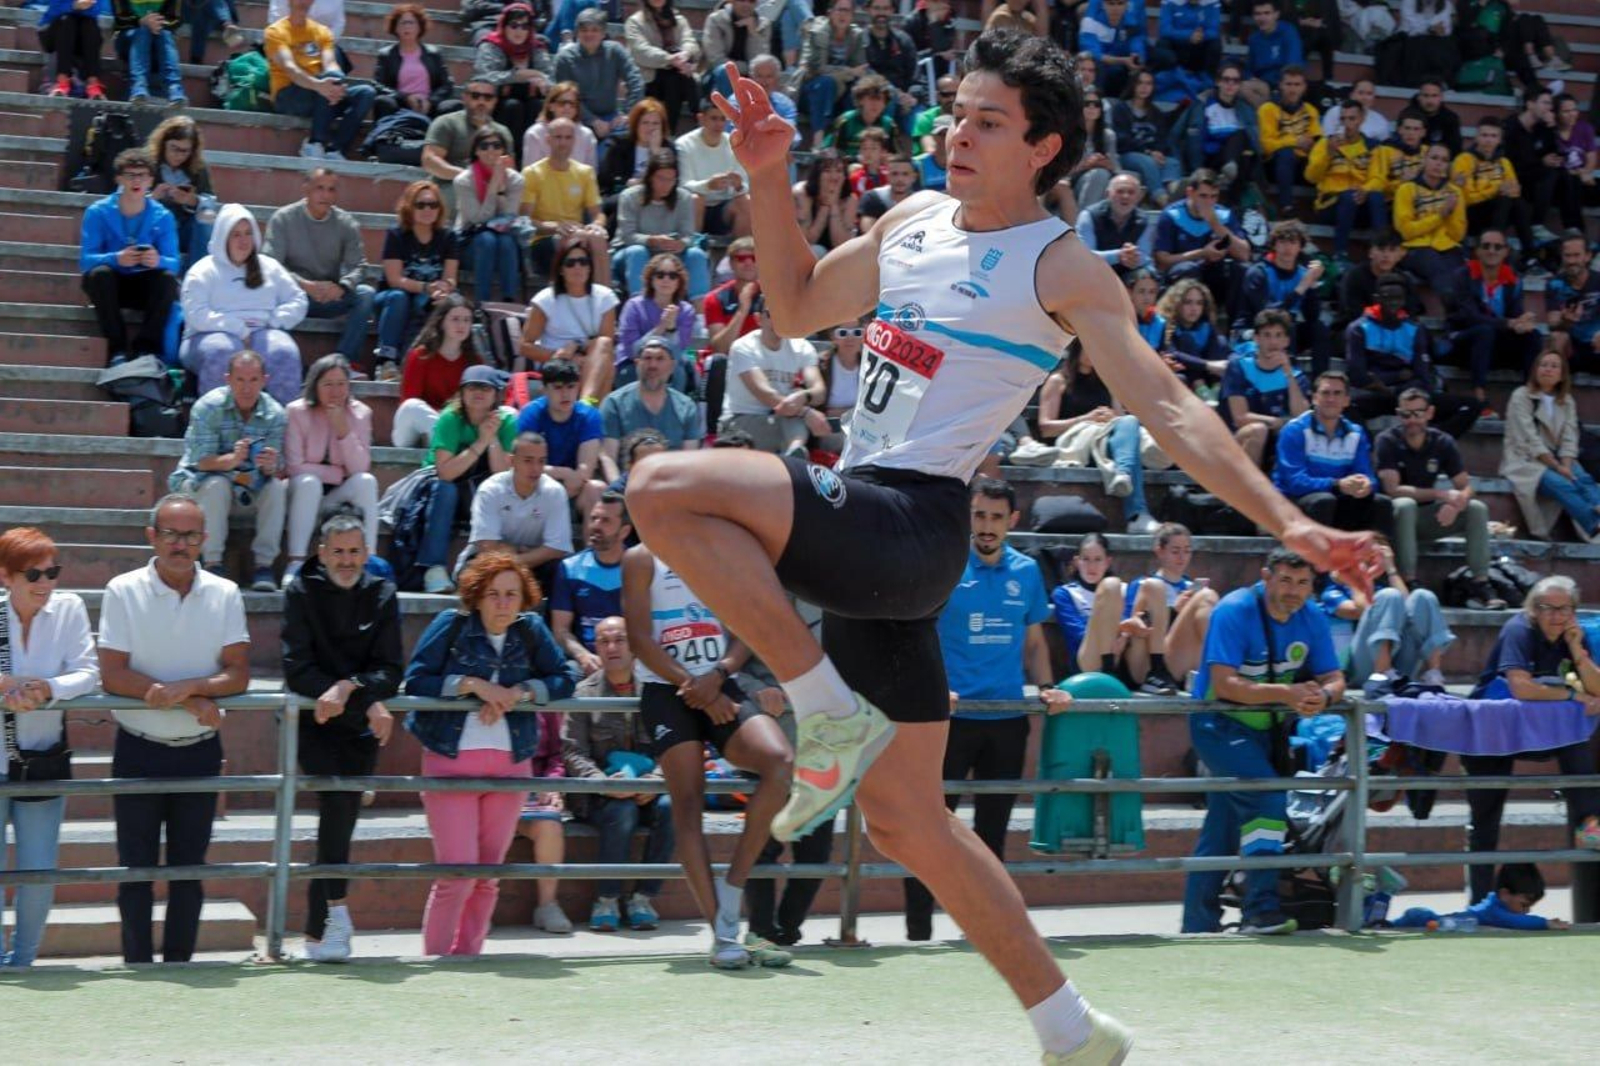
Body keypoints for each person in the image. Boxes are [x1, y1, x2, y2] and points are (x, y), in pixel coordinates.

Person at [631, 36, 1369, 1059]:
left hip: (910, 520)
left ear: (1044, 148)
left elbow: (1165, 402)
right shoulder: (912, 219)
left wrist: (1287, 520)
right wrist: (766, 178)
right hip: (865, 529)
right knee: (906, 821)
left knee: (662, 485)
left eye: (986, 122)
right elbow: (796, 306)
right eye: (956, 114)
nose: (956, 133)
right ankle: (1069, 1026)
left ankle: (819, 708)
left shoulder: (1059, 263)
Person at [903, 478, 1071, 940]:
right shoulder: (946, 564)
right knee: (930, 832)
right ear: (967, 517)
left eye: (997, 517)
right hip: (948, 720)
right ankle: (919, 931)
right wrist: (936, 689)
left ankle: (983, 932)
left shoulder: (1027, 572)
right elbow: (918, 634)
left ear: (1012, 521)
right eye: (979, 515)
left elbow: (1034, 642)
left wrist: (1046, 686)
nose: (987, 526)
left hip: (1007, 720)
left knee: (991, 835)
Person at [620, 541, 795, 970]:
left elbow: (743, 632)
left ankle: (731, 892)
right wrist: (692, 686)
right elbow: (640, 640)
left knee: (781, 763)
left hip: (719, 683)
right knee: (686, 804)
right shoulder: (641, 558)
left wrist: (715, 677)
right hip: (667, 690)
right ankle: (722, 934)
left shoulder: (720, 552)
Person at [98, 493, 250, 964]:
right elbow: (112, 673)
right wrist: (192, 698)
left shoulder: (225, 593)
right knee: (136, 870)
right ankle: (137, 967)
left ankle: (181, 966)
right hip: (138, 749)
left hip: (200, 750)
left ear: (204, 540)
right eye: (170, 534)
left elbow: (238, 673)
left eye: (189, 536)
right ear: (152, 536)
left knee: (189, 871)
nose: (180, 545)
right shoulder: (122, 589)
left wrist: (187, 689)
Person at [403, 552, 579, 957]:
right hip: (451, 758)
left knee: (488, 875)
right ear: (477, 596)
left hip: (510, 761)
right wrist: (473, 685)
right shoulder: (452, 624)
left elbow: (566, 676)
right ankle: (436, 959)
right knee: (458, 873)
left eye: (511, 595)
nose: (503, 604)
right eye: (494, 594)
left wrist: (522, 692)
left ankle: (469, 956)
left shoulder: (531, 630)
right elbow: (416, 679)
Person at [1181, 547, 1345, 935]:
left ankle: (1197, 925)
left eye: (1303, 582)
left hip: (1263, 730)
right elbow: (1224, 684)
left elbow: (1334, 678)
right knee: (1269, 797)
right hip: (1216, 726)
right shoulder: (1234, 610)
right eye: (1285, 580)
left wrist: (1322, 698)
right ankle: (1261, 911)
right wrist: (1287, 695)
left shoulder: (1312, 615)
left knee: (1221, 828)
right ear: (1266, 576)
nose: (1294, 590)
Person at [281, 512, 402, 962]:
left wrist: (351, 687)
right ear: (321, 552)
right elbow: (298, 669)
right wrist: (361, 694)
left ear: (366, 554)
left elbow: (391, 669)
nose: (347, 560)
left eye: (355, 551)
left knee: (342, 816)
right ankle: (335, 912)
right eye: (338, 552)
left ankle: (320, 932)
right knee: (336, 803)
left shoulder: (383, 593)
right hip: (314, 722)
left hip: (358, 722)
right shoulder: (300, 590)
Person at [1467, 576, 1600, 907]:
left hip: (1542, 731)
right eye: (1547, 608)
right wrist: (1571, 693)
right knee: (1486, 819)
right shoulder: (1518, 629)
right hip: (1493, 730)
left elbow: (1597, 689)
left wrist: (1576, 651)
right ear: (1533, 610)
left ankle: (1589, 824)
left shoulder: (1575, 634)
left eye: (1564, 609)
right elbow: (1520, 687)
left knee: (1577, 741)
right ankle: (1480, 904)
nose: (1556, 616)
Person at [0, 528, 99, 968]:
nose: (45, 583)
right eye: (33, 574)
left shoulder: (70, 608)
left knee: (39, 874)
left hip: (42, 759)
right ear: (5, 576)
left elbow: (89, 672)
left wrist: (48, 689)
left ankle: (23, 961)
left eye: (52, 572)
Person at [562, 615, 674, 931]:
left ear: (635, 645)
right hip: (598, 797)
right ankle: (607, 900)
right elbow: (572, 752)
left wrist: (653, 782)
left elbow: (674, 746)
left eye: (620, 640)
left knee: (671, 807)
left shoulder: (657, 689)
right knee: (622, 810)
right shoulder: (584, 693)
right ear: (595, 647)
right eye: (604, 641)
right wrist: (602, 783)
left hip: (649, 788)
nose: (612, 648)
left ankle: (643, 897)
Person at [168, 351, 288, 590]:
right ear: (228, 379)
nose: (246, 387)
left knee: (276, 488)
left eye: (253, 380)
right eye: (240, 380)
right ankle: (213, 563)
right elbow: (200, 462)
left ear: (264, 380)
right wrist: (232, 460)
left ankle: (264, 566)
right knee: (217, 485)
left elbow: (277, 468)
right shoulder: (208, 407)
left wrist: (270, 466)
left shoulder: (275, 414)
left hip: (248, 485)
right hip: (201, 483)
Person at [1374, 387, 1502, 607]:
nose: (1412, 419)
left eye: (1418, 413)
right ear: (1398, 414)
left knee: (1476, 508)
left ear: (1430, 413)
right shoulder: (1387, 440)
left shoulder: (1442, 441)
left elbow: (1466, 485)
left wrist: (1457, 502)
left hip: (1425, 519)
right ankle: (1409, 578)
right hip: (1393, 522)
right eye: (1406, 414)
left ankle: (1481, 582)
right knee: (1405, 505)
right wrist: (1441, 494)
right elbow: (1393, 489)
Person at [179, 203, 308, 403]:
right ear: (223, 236)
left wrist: (273, 321)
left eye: (248, 233)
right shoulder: (203, 270)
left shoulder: (269, 267)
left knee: (284, 351)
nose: (243, 240)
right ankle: (217, 424)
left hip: (262, 332)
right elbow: (196, 314)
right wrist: (237, 329)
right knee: (222, 351)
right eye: (236, 234)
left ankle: (280, 424)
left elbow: (298, 300)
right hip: (206, 337)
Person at [1035, 345, 1163, 534]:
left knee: (1130, 421)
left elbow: (1122, 422)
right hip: (1075, 445)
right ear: (1077, 348)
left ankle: (1123, 473)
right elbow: (1045, 428)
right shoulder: (1058, 380)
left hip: (1104, 443)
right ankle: (1137, 513)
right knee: (1129, 440)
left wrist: (1110, 417)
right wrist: (1086, 418)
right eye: (1088, 346)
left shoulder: (1107, 380)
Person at [263, 170, 376, 375]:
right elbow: (270, 264)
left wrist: (343, 286)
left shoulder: (346, 223)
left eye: (331, 189)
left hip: (329, 295)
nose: (325, 195)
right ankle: (276, 361)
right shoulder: (283, 219)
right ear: (306, 189)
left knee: (365, 294)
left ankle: (344, 362)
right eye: (319, 188)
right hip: (293, 295)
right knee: (266, 294)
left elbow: (359, 265)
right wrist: (304, 285)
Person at [418, 365, 519, 593]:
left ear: (496, 395)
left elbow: (503, 474)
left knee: (497, 490)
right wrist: (480, 442)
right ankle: (433, 568)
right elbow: (445, 472)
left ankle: (486, 568)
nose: (478, 393)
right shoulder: (450, 418)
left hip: (477, 493)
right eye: (472, 387)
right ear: (462, 392)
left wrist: (491, 437)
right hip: (437, 495)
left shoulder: (507, 422)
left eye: (486, 388)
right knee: (446, 489)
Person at [79, 149, 179, 368]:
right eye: (130, 175)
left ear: (151, 180)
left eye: (142, 175)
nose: (137, 180)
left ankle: (146, 348)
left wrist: (157, 260)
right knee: (99, 275)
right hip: (111, 285)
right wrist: (116, 258)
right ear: (118, 178)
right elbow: (86, 260)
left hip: (143, 284)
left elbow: (174, 262)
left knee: (167, 279)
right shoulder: (97, 212)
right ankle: (117, 349)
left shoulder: (163, 216)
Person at [284, 355, 379, 583]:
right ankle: (296, 562)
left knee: (367, 481)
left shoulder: (361, 413)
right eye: (328, 384)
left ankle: (370, 559)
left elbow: (359, 467)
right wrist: (335, 473)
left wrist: (342, 430)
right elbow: (294, 465)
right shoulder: (296, 411)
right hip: (301, 494)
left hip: (335, 498)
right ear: (315, 385)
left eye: (341, 384)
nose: (335, 391)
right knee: (309, 482)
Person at [1343, 271, 1467, 436]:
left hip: (1408, 396)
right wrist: (1399, 377)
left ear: (1404, 300)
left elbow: (1423, 376)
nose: (1393, 303)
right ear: (1377, 298)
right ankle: (1371, 449)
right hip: (1375, 395)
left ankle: (1431, 444)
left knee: (1470, 406)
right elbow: (1357, 375)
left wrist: (1392, 383)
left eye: (1398, 298)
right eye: (1387, 298)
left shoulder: (1415, 329)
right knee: (1343, 408)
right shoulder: (1359, 329)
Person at [1274, 370, 1392, 536]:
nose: (1331, 399)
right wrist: (1337, 484)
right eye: (1325, 393)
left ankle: (1378, 559)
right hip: (1293, 502)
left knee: (1381, 503)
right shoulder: (1295, 430)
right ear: (1314, 398)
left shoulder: (1356, 433)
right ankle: (1314, 561)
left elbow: (1367, 476)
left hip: (1335, 499)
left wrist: (1366, 485)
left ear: (1346, 400)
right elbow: (1294, 482)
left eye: (1337, 393)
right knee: (1323, 501)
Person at [1501, 350, 1600, 543]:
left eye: (1554, 366)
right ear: (1535, 369)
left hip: (1559, 458)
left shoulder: (1567, 400)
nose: (1548, 369)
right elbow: (1529, 438)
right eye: (1543, 364)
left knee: (1583, 478)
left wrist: (1566, 463)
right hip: (1527, 460)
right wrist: (1558, 468)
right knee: (1561, 483)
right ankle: (1593, 525)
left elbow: (1570, 437)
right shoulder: (1521, 396)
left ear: (1562, 374)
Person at [1443, 229, 1542, 410]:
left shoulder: (1512, 279)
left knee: (1534, 335)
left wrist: (1522, 322)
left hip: (1495, 342)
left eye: (1498, 247)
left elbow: (1514, 314)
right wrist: (1509, 323)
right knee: (1484, 331)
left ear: (1505, 251)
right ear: (1478, 251)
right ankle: (1479, 397)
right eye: (1486, 246)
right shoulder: (1462, 276)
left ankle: (1531, 396)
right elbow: (1469, 317)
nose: (1492, 251)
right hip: (1463, 341)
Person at [266, 0, 376, 160]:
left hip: (320, 93)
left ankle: (335, 149)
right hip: (289, 95)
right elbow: (290, 68)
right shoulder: (275, 31)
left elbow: (330, 63)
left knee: (366, 93)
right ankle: (314, 143)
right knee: (326, 80)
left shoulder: (322, 32)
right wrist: (319, 85)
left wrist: (337, 83)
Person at [374, 181, 460, 377]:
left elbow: (450, 278)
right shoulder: (396, 235)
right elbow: (394, 279)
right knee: (400, 298)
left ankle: (429, 365)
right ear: (409, 207)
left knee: (448, 303)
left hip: (427, 297)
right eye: (420, 205)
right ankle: (386, 361)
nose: (427, 209)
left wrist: (444, 288)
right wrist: (426, 287)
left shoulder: (448, 237)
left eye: (433, 204)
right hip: (390, 300)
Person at [721, 301, 828, 455]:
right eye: (771, 314)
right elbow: (767, 395)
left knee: (824, 430)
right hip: (739, 422)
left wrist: (805, 396)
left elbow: (819, 392)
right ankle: (794, 458)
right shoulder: (743, 347)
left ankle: (795, 454)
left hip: (781, 417)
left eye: (783, 314)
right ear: (759, 319)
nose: (779, 320)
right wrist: (805, 411)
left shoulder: (802, 348)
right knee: (793, 419)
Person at [519, 241, 620, 401]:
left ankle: (586, 403)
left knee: (604, 346)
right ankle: (591, 411)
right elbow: (525, 346)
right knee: (605, 368)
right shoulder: (546, 299)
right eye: (570, 263)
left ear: (589, 267)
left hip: (591, 359)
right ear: (561, 270)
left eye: (583, 262)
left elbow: (606, 343)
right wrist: (561, 356)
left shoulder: (605, 297)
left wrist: (578, 348)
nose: (577, 267)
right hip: (557, 362)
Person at [522, 117, 612, 288]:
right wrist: (556, 227)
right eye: (558, 137)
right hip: (543, 241)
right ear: (548, 140)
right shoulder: (532, 173)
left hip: (578, 234)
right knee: (576, 238)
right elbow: (525, 220)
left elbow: (597, 214)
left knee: (597, 237)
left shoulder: (585, 172)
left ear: (574, 141)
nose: (563, 142)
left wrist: (597, 225)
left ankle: (605, 302)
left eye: (568, 137)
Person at [1231, 219, 1328, 374]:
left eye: (1292, 242)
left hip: (1285, 334)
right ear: (1274, 245)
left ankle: (1319, 381)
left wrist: (1313, 285)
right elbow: (1268, 315)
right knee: (1285, 326)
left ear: (1300, 247)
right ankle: (1290, 376)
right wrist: (1302, 287)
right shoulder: (1258, 273)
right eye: (1282, 242)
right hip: (1252, 330)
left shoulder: (1304, 274)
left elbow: (1312, 316)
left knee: (1319, 328)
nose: (1287, 248)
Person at [1218, 309, 1311, 470]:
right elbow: (1240, 417)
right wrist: (1275, 422)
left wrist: (1288, 374)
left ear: (1286, 341)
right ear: (1256, 338)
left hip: (1275, 440)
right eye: (1267, 335)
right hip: (1237, 440)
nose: (1273, 342)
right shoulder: (1239, 367)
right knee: (1258, 430)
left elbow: (1301, 416)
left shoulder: (1297, 376)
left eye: (1278, 335)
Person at [599, 337, 704, 479]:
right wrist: (617, 490)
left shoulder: (686, 407)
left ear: (672, 366)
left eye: (660, 359)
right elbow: (608, 457)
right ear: (637, 363)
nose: (653, 365)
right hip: (628, 482)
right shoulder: (614, 403)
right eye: (647, 358)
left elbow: (689, 459)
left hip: (671, 483)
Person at [613, 153, 711, 300]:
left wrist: (681, 243)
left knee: (696, 255)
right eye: (661, 178)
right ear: (650, 177)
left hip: (671, 254)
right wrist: (651, 240)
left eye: (671, 180)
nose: (666, 184)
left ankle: (699, 314)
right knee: (637, 252)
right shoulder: (629, 197)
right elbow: (627, 235)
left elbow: (689, 235)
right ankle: (640, 307)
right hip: (633, 253)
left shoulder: (683, 197)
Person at [513, 358, 605, 513]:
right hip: (537, 486)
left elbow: (584, 474)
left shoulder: (589, 416)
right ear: (544, 389)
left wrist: (568, 478)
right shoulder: (531, 414)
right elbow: (523, 465)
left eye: (571, 387)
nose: (565, 394)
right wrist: (564, 473)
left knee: (596, 489)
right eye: (558, 387)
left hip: (574, 490)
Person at [549, 492, 629, 670]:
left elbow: (650, 628)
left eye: (605, 521)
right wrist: (582, 655)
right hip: (587, 663)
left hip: (632, 662)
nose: (595, 526)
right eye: (594, 518)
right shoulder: (569, 568)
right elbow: (561, 631)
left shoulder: (639, 567)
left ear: (624, 531)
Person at [1152, 170, 1251, 312]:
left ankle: (1236, 327)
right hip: (1183, 276)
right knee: (1188, 269)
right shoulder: (1172, 215)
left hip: (1214, 277)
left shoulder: (1224, 215)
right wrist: (1202, 253)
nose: (1209, 202)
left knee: (1243, 270)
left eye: (1214, 196)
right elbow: (1162, 260)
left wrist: (1215, 224)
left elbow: (1244, 254)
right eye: (1203, 196)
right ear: (1190, 193)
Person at [1452, 118, 1537, 277]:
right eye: (1484, 135)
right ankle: (1494, 249)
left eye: (1493, 136)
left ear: (1499, 139)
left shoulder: (1504, 162)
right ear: (1476, 137)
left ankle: (1530, 255)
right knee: (1504, 200)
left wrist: (1503, 192)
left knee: (1518, 203)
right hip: (1471, 215)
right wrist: (1495, 190)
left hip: (1498, 212)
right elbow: (1466, 198)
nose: (1488, 140)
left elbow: (1514, 190)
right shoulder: (1464, 160)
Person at [395, 297, 481, 449]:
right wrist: (441, 417)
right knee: (411, 406)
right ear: (442, 322)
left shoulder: (474, 361)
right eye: (455, 319)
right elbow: (408, 398)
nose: (461, 325)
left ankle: (451, 448)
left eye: (467, 320)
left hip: (455, 427)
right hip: (415, 432)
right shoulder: (421, 355)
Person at [454, 127, 526, 306]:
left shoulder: (516, 180)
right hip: (470, 242)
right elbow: (478, 220)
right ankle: (482, 304)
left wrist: (501, 188)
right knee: (487, 239)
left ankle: (509, 302)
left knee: (505, 240)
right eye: (484, 146)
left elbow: (508, 219)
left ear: (503, 150)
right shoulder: (464, 180)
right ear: (476, 151)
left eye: (496, 145)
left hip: (503, 243)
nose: (491, 150)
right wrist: (494, 186)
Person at [1304, 101, 1383, 264]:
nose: (1347, 124)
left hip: (1361, 202)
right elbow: (1311, 177)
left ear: (1361, 119)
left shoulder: (1373, 147)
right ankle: (1340, 254)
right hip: (1330, 204)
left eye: (1352, 119)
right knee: (1348, 196)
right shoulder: (1326, 143)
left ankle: (1381, 252)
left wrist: (1364, 190)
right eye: (1343, 119)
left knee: (1376, 196)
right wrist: (1328, 154)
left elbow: (1378, 178)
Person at [1391, 862, 1571, 932]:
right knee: (1387, 924)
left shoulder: (1498, 905)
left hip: (1440, 920)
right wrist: (1546, 923)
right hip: (1421, 919)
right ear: (1505, 894)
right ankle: (1385, 893)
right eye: (1523, 905)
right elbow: (1516, 922)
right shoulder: (1493, 911)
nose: (1526, 911)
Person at [422, 77, 517, 207]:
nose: (481, 101)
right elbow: (430, 161)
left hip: (490, 189)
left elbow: (509, 168)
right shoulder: (446, 123)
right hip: (451, 184)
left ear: (495, 101)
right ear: (465, 98)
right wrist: (468, 176)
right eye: (475, 96)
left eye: (488, 97)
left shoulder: (503, 131)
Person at [554, 7, 645, 143]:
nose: (589, 34)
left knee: (627, 140)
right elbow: (564, 96)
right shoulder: (564, 58)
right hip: (576, 118)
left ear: (603, 33)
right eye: (584, 30)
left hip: (611, 118)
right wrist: (592, 120)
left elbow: (636, 81)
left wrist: (628, 113)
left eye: (595, 30)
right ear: (577, 33)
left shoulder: (615, 51)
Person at [472, 3, 553, 155]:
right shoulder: (491, 45)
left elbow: (549, 76)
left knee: (538, 105)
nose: (519, 31)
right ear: (504, 25)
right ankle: (508, 156)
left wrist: (544, 82)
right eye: (514, 25)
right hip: (497, 104)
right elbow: (484, 77)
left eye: (524, 26)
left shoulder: (536, 47)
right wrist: (517, 75)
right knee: (513, 106)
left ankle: (529, 158)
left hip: (529, 103)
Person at [1393, 143, 1467, 299]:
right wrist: (1441, 216)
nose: (1438, 163)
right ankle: (1456, 314)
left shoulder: (1455, 192)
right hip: (1415, 248)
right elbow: (1406, 231)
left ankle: (1460, 317)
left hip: (1447, 247)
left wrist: (1451, 213)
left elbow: (1458, 235)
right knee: (1436, 265)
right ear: (1424, 161)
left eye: (1444, 160)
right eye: (1434, 158)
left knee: (1461, 274)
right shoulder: (1406, 189)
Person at [616, 252, 699, 389]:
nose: (666, 280)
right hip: (634, 364)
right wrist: (661, 327)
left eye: (672, 276)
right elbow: (632, 350)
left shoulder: (686, 311)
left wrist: (671, 329)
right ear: (651, 279)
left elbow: (677, 354)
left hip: (669, 366)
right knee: (628, 374)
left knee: (677, 372)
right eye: (660, 275)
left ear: (679, 281)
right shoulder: (634, 306)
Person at [145, 116, 215, 273]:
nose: (179, 155)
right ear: (163, 144)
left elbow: (210, 202)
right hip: (156, 225)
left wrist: (193, 201)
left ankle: (197, 274)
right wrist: (152, 197)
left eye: (185, 151)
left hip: (185, 228)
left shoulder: (198, 168)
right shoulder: (147, 163)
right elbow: (127, 199)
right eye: (174, 148)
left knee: (207, 216)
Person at [676, 99, 753, 240]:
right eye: (714, 118)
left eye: (723, 119)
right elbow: (683, 185)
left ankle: (743, 252)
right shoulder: (684, 145)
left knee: (745, 201)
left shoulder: (735, 144)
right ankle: (692, 248)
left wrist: (738, 185)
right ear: (701, 118)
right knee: (696, 199)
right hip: (691, 209)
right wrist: (708, 185)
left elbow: (745, 186)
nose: (719, 124)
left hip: (723, 209)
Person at [797, 0, 869, 147]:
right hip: (811, 91)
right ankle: (818, 141)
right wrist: (847, 72)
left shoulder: (856, 35)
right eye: (839, 10)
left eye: (847, 11)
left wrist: (847, 74)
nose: (843, 15)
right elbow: (814, 69)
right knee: (826, 82)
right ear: (830, 13)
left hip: (839, 93)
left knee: (857, 88)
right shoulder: (817, 32)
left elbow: (860, 69)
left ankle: (851, 142)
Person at [374, 3, 460, 120]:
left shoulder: (433, 53)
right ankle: (385, 136)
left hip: (429, 105)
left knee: (453, 106)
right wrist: (405, 98)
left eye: (411, 23)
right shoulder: (386, 54)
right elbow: (377, 85)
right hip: (400, 104)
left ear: (420, 27)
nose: (407, 27)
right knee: (382, 101)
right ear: (395, 28)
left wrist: (431, 101)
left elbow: (447, 85)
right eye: (403, 23)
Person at [626, 0, 702, 128]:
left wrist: (685, 55)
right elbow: (641, 51)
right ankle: (697, 117)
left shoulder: (679, 20)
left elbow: (690, 42)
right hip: (649, 79)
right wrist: (669, 59)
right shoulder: (634, 22)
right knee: (677, 78)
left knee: (678, 77)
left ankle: (695, 119)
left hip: (679, 74)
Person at [1257, 66, 1320, 220]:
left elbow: (1317, 140)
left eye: (1297, 85)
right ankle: (1286, 206)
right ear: (1280, 85)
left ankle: (1321, 209)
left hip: (1301, 164)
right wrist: (1295, 141)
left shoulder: (1311, 111)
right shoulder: (1268, 109)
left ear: (1304, 87)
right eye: (1289, 84)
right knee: (1286, 154)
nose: (1293, 89)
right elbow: (1265, 145)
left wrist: (1313, 145)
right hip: (1274, 165)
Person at [596, 98, 672, 221]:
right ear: (636, 124)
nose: (650, 128)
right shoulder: (618, 145)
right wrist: (630, 184)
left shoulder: (668, 149)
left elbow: (669, 183)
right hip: (621, 196)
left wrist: (655, 153)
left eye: (655, 124)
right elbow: (608, 182)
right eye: (645, 123)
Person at [1152, 278, 1229, 389]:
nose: (1194, 308)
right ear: (1176, 304)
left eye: (1199, 303)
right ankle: (1202, 390)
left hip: (1208, 373)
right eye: (1188, 302)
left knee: (1221, 341)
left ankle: (1217, 388)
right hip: (1185, 374)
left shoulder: (1206, 327)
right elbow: (1171, 353)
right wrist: (1207, 365)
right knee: (1186, 339)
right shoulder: (1166, 325)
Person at [1075, 171, 1152, 280]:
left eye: (1131, 192)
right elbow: (1085, 256)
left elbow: (1145, 256)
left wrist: (1133, 256)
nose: (1125, 196)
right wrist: (1118, 256)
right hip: (1095, 272)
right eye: (1120, 191)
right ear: (1108, 194)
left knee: (1147, 275)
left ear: (1139, 197)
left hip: (1128, 274)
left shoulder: (1143, 220)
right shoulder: (1088, 216)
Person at [111, 0, 185, 105]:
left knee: (164, 34)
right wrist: (141, 21)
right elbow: (120, 18)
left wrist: (156, 23)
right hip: (127, 35)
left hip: (159, 34)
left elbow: (176, 19)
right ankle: (139, 86)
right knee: (143, 31)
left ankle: (174, 89)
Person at [1547, 231, 1600, 367]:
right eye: (1567, 256)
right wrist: (1565, 322)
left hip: (1596, 342)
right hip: (1571, 346)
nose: (1571, 261)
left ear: (1587, 256)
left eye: (1576, 255)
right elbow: (1552, 324)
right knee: (1557, 337)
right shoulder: (1554, 284)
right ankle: (1552, 386)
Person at [793, 150, 859, 258]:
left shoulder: (850, 200)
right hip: (804, 252)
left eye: (839, 171)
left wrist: (833, 206)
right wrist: (824, 206)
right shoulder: (802, 193)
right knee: (817, 250)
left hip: (834, 256)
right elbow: (807, 240)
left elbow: (841, 244)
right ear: (817, 174)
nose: (833, 177)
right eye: (827, 171)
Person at [703, 235, 762, 355]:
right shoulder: (714, 298)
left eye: (754, 258)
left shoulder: (774, 297)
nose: (748, 263)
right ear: (731, 263)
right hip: (727, 362)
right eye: (741, 258)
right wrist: (742, 311)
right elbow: (720, 349)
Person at [702, 0, 772, 100]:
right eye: (741, 0)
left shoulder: (763, 24)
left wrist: (753, 33)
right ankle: (732, 113)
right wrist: (747, 68)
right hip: (718, 78)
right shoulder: (716, 20)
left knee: (768, 76)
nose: (746, 4)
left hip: (750, 77)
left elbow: (761, 63)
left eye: (751, 1)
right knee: (725, 70)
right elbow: (716, 60)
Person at [39, 0, 107, 101]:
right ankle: (62, 81)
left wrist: (83, 7)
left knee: (90, 24)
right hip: (53, 32)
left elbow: (95, 11)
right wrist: (73, 6)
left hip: (80, 37)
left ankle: (93, 84)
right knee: (67, 19)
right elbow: (54, 10)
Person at [1079, 0, 1147, 100]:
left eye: (1120, 3)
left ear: (1127, 5)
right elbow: (1092, 52)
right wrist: (1122, 60)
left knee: (1140, 66)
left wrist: (1137, 55)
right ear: (1103, 4)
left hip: (1122, 66)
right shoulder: (1093, 13)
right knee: (1094, 65)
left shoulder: (1133, 12)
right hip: (1103, 66)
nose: (1115, 8)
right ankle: (1095, 103)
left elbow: (1138, 37)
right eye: (1111, 3)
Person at [523, 81, 600, 168]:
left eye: (572, 104)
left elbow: (591, 174)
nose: (567, 107)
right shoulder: (534, 134)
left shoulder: (587, 135)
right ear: (550, 106)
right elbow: (530, 173)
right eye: (562, 103)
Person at [825, 74, 903, 158]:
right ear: (860, 100)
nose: (875, 104)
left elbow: (898, 155)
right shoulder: (846, 120)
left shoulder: (889, 125)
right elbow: (830, 151)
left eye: (879, 99)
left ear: (885, 104)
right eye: (871, 99)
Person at [1068, 91, 1118, 209]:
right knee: (1100, 174)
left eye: (1096, 104)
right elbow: (1060, 171)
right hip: (1072, 182)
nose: (1092, 107)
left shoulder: (1108, 135)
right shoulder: (1068, 134)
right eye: (1087, 104)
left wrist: (1106, 163)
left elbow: (1116, 168)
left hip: (1103, 180)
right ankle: (1085, 217)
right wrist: (1086, 164)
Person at [1154, 0, 1222, 78]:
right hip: (1178, 47)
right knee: (1162, 43)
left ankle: (1208, 82)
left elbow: (1214, 31)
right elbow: (1164, 30)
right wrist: (1188, 35)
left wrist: (1201, 36)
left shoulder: (1212, 2)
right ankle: (1164, 80)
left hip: (1199, 46)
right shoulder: (1170, 1)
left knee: (1215, 45)